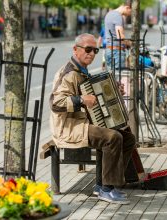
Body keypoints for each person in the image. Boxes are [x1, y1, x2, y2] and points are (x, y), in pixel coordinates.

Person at [49, 33, 135, 204]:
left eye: (95, 50)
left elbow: (95, 93)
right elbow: (55, 103)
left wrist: (114, 90)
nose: (91, 54)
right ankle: (107, 188)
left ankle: (103, 184)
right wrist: (80, 100)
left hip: (83, 123)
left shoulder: (82, 71)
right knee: (112, 138)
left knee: (128, 138)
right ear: (75, 49)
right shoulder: (68, 73)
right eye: (88, 49)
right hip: (69, 128)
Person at [104, 1, 132, 70]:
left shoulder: (109, 14)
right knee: (118, 77)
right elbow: (120, 36)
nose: (130, 14)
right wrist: (130, 43)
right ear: (127, 7)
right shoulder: (118, 16)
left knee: (111, 77)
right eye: (130, 12)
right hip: (116, 52)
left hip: (108, 49)